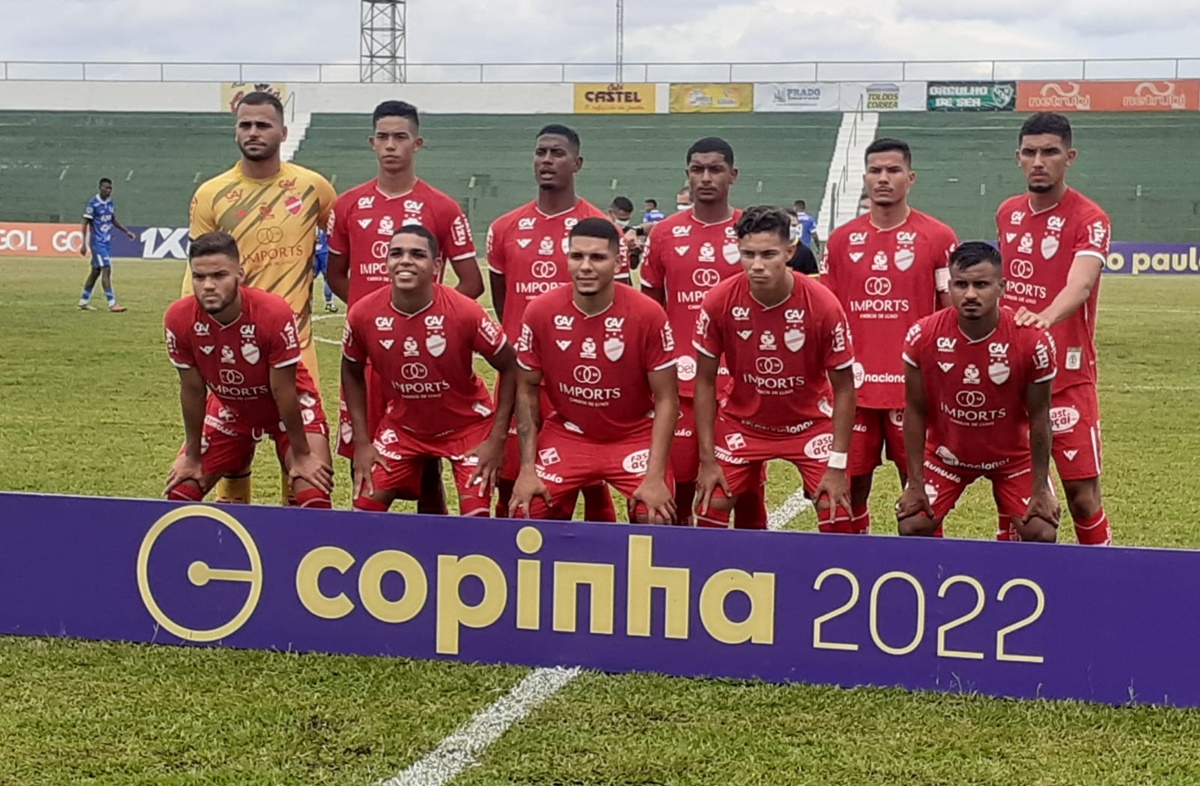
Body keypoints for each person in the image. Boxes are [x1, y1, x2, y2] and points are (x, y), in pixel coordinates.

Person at [325, 100, 483, 515]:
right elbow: (336, 273)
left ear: (418, 143)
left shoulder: (442, 207)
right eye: (383, 137)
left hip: (424, 359)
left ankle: (433, 549)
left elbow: (472, 282)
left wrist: (432, 322)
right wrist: (375, 320)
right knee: (362, 453)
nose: (390, 146)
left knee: (426, 458)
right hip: (371, 357)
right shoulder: (348, 205)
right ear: (371, 143)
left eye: (400, 137)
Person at [187, 90, 336, 505]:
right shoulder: (211, 194)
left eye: (263, 125)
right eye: (245, 124)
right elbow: (197, 272)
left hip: (296, 347)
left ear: (283, 132)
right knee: (231, 455)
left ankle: (294, 552)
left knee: (302, 467)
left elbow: (342, 244)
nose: (253, 132)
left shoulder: (312, 188)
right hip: (230, 349)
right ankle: (235, 544)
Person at [487, 124, 630, 521]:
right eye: (541, 153)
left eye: (557, 153)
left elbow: (622, 304)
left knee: (591, 480)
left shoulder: (601, 227)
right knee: (512, 480)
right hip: (522, 375)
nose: (547, 161)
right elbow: (503, 300)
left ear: (577, 163)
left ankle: (598, 567)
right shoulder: (504, 228)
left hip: (585, 375)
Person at [821, 138, 958, 535]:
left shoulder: (938, 237)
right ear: (864, 177)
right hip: (853, 390)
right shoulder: (842, 240)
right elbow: (826, 313)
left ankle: (924, 579)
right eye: (875, 171)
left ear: (910, 178)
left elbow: (950, 313)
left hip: (914, 391)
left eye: (893, 170)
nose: (883, 179)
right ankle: (850, 570)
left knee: (919, 498)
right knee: (847, 491)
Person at [694, 206, 857, 531]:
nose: (757, 265)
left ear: (789, 251)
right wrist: (707, 459)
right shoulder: (719, 300)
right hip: (744, 422)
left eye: (768, 254)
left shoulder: (822, 304)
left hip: (809, 424)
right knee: (711, 504)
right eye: (748, 254)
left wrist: (837, 465)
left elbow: (845, 388)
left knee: (835, 509)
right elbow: (704, 381)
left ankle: (833, 579)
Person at [509, 218, 678, 523]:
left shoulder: (648, 314)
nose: (585, 266)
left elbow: (667, 398)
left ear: (617, 262)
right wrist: (526, 469)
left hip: (633, 432)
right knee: (526, 509)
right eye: (577, 256)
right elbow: (526, 390)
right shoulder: (540, 311)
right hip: (570, 433)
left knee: (653, 515)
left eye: (597, 257)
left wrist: (654, 477)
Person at [342, 225, 516, 516]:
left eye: (417, 254)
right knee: (364, 512)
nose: (405, 260)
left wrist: (496, 440)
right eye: (396, 253)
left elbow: (511, 366)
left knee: (477, 517)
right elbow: (351, 370)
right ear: (386, 262)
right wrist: (362, 442)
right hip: (403, 428)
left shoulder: (465, 311)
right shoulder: (363, 313)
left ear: (436, 266)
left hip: (467, 428)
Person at [996, 112, 1112, 546]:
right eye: (1030, 152)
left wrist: (1045, 317)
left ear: (1070, 157)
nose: (1039, 161)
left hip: (1067, 377)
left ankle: (1100, 577)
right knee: (1013, 499)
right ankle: (1014, 581)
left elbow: (1081, 284)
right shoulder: (1007, 212)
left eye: (1050, 152)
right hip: (1010, 376)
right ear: (1018, 158)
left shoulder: (1090, 218)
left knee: (1082, 496)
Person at [640, 136, 768, 527]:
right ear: (687, 176)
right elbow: (650, 309)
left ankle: (756, 568)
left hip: (741, 386)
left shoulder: (752, 234)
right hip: (681, 383)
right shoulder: (663, 234)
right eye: (698, 169)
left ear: (733, 175)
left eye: (715, 169)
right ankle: (677, 569)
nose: (706, 178)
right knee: (676, 487)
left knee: (742, 490)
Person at [896, 242, 1059, 541]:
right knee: (912, 525)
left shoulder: (1033, 341)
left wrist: (1040, 490)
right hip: (947, 456)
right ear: (949, 285)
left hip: (1012, 457)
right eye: (961, 284)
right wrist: (915, 483)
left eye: (981, 284)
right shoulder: (923, 336)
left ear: (1002, 287)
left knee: (1041, 530)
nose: (970, 294)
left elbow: (1040, 417)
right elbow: (915, 411)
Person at [163, 231, 333, 508]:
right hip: (231, 408)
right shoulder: (178, 318)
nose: (208, 285)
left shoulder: (272, 312)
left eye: (219, 276)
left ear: (239, 274)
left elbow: (284, 389)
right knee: (181, 490)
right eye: (199, 277)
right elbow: (193, 391)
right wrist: (192, 457)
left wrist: (301, 455)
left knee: (313, 493)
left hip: (290, 403)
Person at [78, 177, 136, 312]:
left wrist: (126, 231)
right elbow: (85, 223)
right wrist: (83, 244)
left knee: (95, 272)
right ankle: (112, 303)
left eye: (110, 188)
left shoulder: (110, 202)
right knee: (107, 268)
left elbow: (112, 219)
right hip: (97, 243)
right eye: (106, 188)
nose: (108, 191)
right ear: (100, 188)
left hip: (106, 242)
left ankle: (83, 301)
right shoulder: (93, 204)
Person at [785, 209, 820, 276]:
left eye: (794, 225)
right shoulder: (770, 249)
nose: (791, 228)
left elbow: (812, 281)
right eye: (788, 224)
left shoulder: (806, 253)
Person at [315, 229, 337, 313]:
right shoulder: (325, 220)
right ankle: (329, 303)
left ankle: (304, 304)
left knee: (307, 281)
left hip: (312, 252)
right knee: (327, 278)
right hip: (324, 252)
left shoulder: (309, 222)